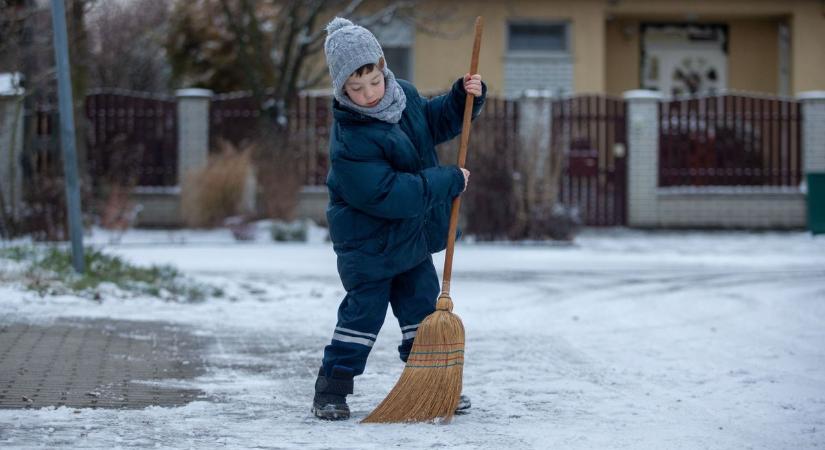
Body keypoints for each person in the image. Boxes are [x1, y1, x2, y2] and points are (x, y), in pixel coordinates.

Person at [313, 17, 486, 420]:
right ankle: (331, 391)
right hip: (369, 246)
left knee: (423, 313)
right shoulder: (350, 140)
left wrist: (464, 98)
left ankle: (432, 385)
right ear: (342, 88)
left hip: (408, 239)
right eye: (355, 88)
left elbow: (436, 123)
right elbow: (390, 194)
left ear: (383, 66)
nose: (369, 94)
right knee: (361, 320)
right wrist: (446, 181)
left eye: (373, 81)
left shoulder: (403, 96)